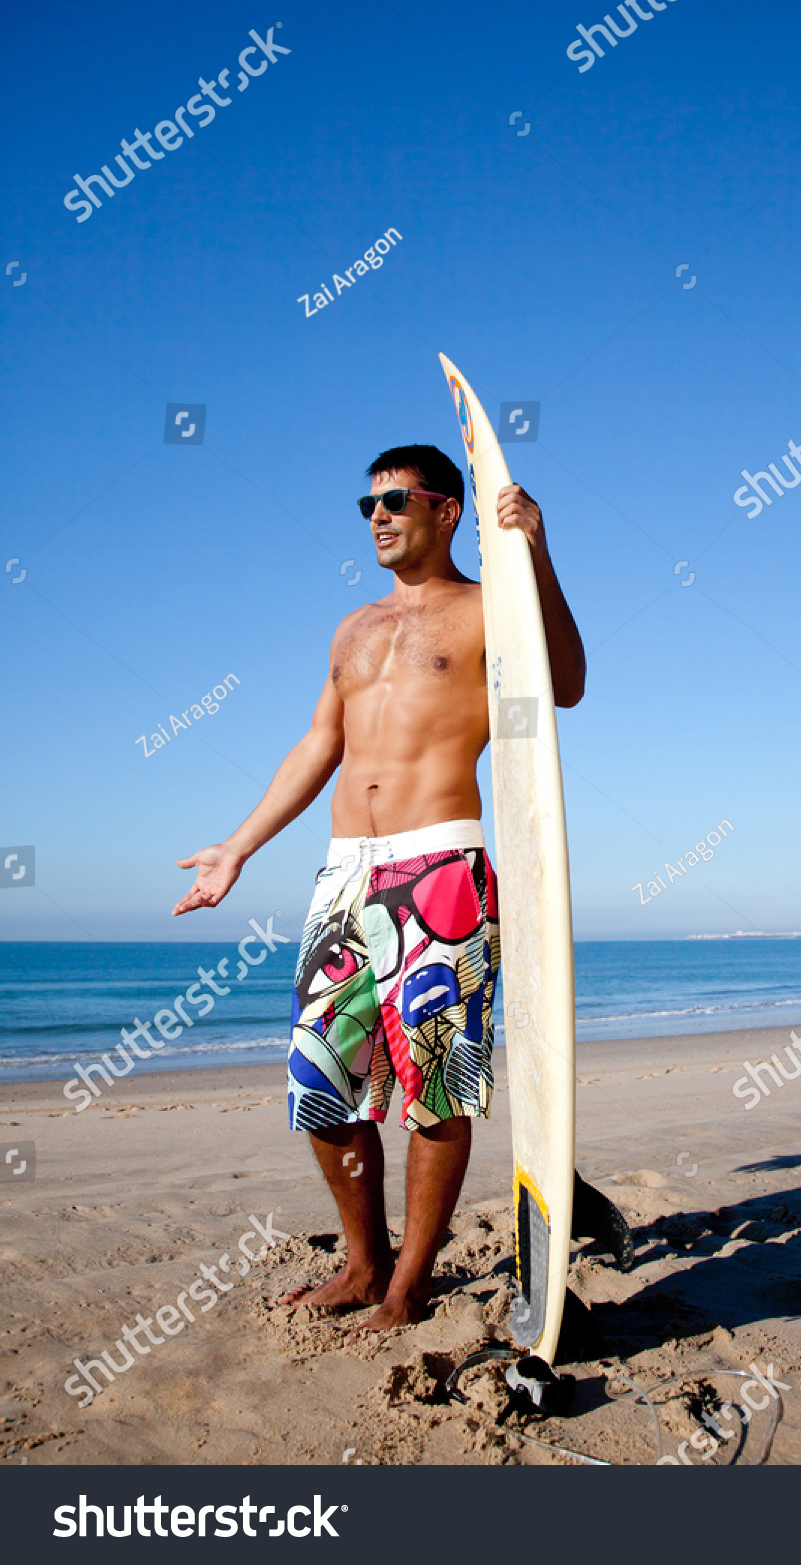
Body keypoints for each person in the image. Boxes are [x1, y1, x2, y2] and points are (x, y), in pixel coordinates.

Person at [172, 444, 586, 1330]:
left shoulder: (488, 609)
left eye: (396, 500)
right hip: (343, 876)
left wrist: (535, 553)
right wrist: (238, 848)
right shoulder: (352, 628)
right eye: (366, 505)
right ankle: (364, 1264)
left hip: (439, 868)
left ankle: (408, 1285)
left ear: (446, 511)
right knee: (321, 1083)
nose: (378, 517)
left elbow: (568, 684)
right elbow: (320, 745)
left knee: (437, 1091)